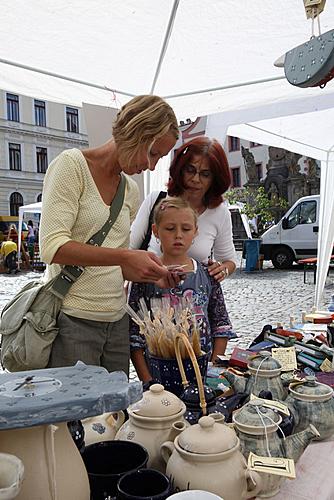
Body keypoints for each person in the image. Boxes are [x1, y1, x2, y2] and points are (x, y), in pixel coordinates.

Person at [39, 94, 180, 375]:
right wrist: (126, 256)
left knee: (113, 417)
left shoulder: (130, 189)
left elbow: (114, 265)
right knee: (77, 417)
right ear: (136, 133)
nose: (151, 166)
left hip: (116, 324)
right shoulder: (72, 166)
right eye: (153, 153)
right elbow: (52, 247)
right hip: (73, 320)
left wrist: (154, 273)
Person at [129, 197, 236, 383]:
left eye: (186, 229)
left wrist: (212, 370)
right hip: (158, 377)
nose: (178, 235)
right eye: (170, 229)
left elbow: (221, 326)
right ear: (156, 231)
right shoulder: (145, 277)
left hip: (201, 374)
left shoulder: (208, 276)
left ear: (195, 232)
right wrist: (147, 381)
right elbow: (134, 336)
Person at [130, 136, 237, 281]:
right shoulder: (156, 201)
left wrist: (222, 270)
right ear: (181, 169)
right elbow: (130, 248)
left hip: (194, 297)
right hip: (151, 291)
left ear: (215, 178)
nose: (195, 179)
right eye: (190, 170)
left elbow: (229, 260)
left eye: (205, 174)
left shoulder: (219, 212)